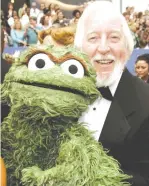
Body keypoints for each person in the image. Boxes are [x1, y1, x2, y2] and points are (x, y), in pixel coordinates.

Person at [74, 1, 149, 186]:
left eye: (114, 38)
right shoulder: (62, 91)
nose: (104, 48)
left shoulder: (146, 102)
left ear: (127, 46)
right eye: (93, 38)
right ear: (79, 47)